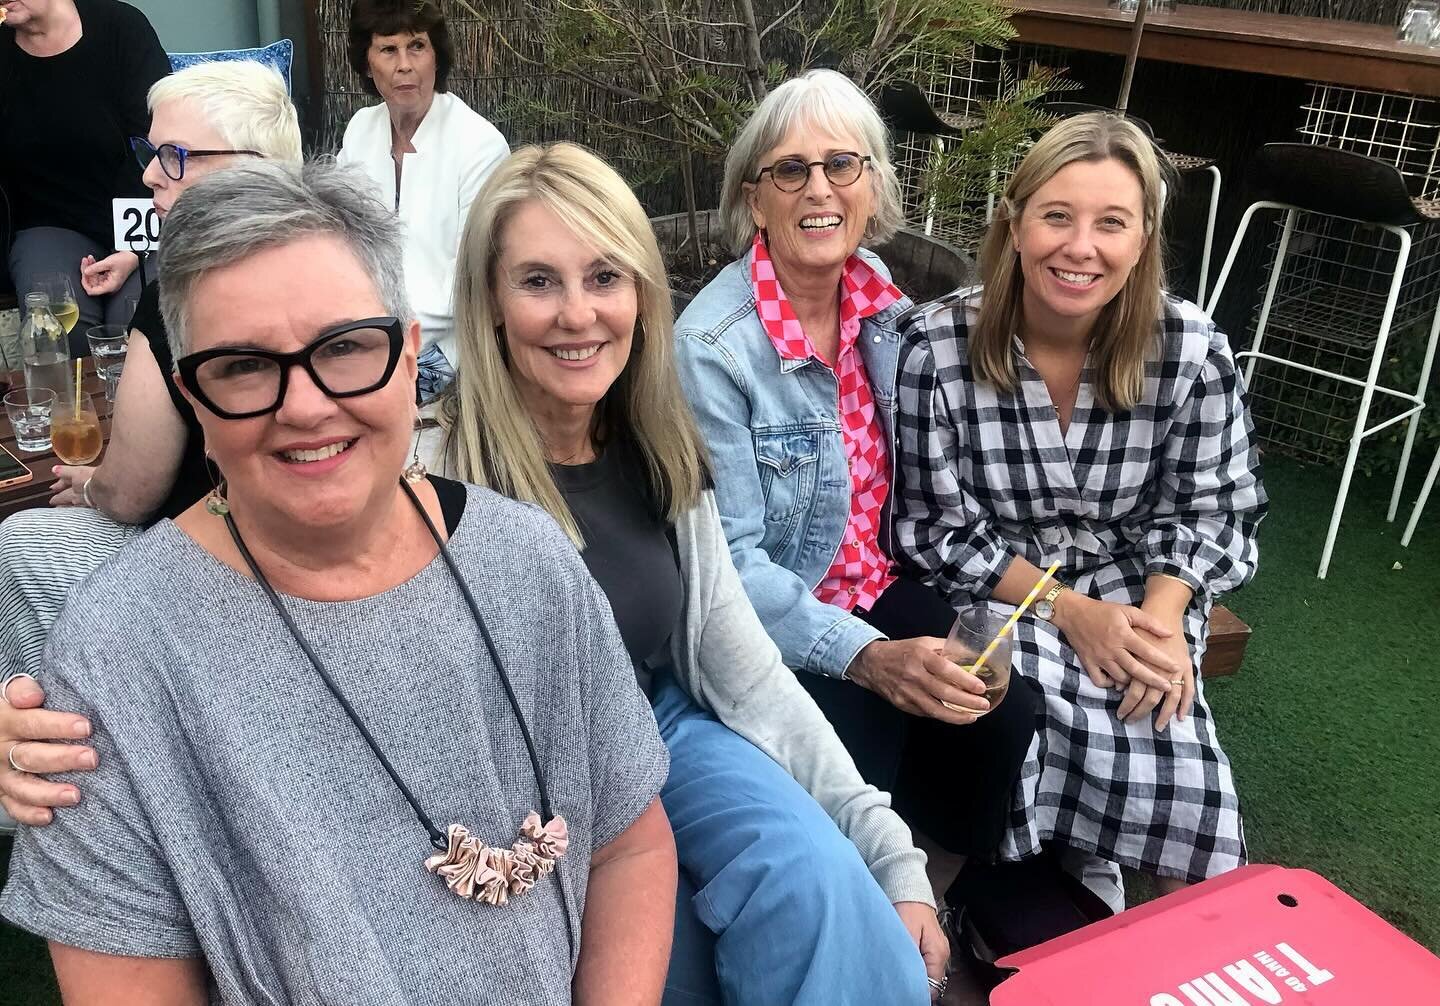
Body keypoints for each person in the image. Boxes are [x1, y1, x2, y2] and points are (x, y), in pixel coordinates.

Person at [0, 159, 676, 1004]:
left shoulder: (530, 563)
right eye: (244, 366)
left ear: (409, 355)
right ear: (191, 401)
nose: (307, 406)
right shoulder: (116, 666)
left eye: (346, 346)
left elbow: (627, 843)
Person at [426, 141, 943, 1004]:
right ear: (489, 298)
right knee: (672, 970)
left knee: (821, 881)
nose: (578, 314)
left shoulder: (660, 452)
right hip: (513, 780)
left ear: (640, 293)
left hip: (658, 725)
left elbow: (746, 672)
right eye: (538, 281)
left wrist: (890, 854)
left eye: (603, 277)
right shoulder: (433, 471)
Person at [673, 69, 1039, 898]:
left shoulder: (882, 305)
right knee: (865, 744)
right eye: (790, 170)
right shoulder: (712, 348)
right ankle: (871, 925)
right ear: (754, 200)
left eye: (843, 165)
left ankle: (931, 913)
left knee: (997, 711)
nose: (819, 189)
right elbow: (726, 565)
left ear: (873, 188)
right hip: (789, 617)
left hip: (880, 583)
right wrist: (869, 657)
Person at [893, 112, 1265, 896]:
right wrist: (1066, 609)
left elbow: (1212, 512)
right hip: (1004, 589)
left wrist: (1159, 627)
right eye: (1057, 215)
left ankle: (1178, 944)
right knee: (1007, 704)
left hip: (1143, 590)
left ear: (1143, 238)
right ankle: (950, 904)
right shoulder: (936, 346)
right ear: (1015, 221)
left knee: (1172, 749)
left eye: (1111, 223)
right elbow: (935, 530)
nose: (1080, 247)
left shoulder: (1192, 351)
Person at [0, 61, 303, 744]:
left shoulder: (185, 303)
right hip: (305, 552)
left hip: (227, 579)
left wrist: (93, 485)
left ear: (249, 167)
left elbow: (135, 492)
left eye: (174, 158)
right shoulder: (330, 273)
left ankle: (40, 769)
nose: (148, 175)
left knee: (19, 540)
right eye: (150, 153)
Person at [340, 0, 509, 400]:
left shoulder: (480, 145)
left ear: (437, 57)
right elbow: (340, 241)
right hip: (363, 333)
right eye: (388, 49)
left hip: (448, 350)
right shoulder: (359, 130)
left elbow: (472, 278)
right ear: (367, 64)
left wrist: (380, 333)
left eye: (417, 46)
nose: (405, 64)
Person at [0, 0, 170, 351]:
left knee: (141, 319)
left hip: (142, 214)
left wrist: (130, 250)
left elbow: (155, 137)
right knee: (57, 326)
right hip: (49, 225)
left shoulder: (121, 28)